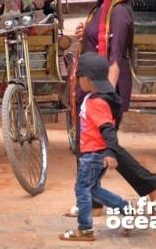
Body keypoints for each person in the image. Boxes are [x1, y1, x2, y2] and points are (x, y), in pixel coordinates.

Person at [65, 0, 156, 218]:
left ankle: (153, 184)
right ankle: (93, 201)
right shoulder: (101, 7)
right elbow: (94, 40)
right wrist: (84, 35)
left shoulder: (120, 13)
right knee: (87, 144)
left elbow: (114, 60)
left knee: (101, 145)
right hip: (90, 86)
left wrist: (103, 98)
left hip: (104, 89)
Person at [60, 53, 130, 242]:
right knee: (92, 189)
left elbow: (108, 129)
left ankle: (85, 230)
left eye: (79, 77)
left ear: (87, 79)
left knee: (82, 189)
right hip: (94, 154)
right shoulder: (98, 97)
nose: (77, 80)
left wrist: (110, 152)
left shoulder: (96, 102)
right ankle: (125, 209)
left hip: (93, 155)